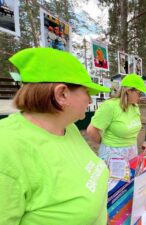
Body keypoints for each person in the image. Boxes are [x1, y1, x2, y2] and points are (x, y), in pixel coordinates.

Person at [0, 48, 110, 225]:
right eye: (87, 93)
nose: (90, 101)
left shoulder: (68, 127)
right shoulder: (6, 148)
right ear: (62, 94)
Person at [87, 73, 146, 164]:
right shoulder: (110, 106)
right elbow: (91, 130)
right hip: (113, 153)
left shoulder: (135, 107)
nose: (141, 96)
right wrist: (105, 142)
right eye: (139, 92)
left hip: (131, 151)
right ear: (128, 91)